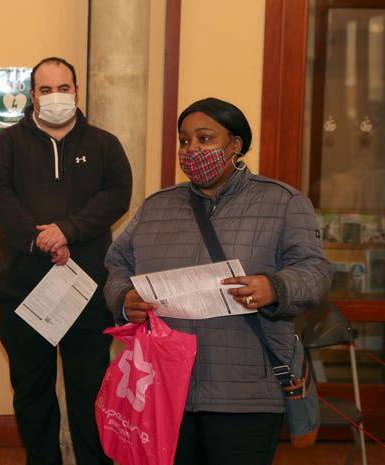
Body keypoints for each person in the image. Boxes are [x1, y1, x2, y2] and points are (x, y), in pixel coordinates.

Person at [103, 97, 333, 465]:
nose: (192, 149)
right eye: (184, 140)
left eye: (205, 139)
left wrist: (275, 287)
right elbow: (116, 263)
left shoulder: (283, 202)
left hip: (245, 390)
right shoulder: (157, 206)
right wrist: (123, 297)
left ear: (235, 145)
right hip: (164, 390)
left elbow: (315, 271)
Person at [0, 56, 132, 465]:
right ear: (32, 96)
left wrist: (68, 230)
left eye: (63, 88)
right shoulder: (6, 145)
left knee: (90, 394)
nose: (55, 97)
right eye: (45, 90)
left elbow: (118, 195)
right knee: (32, 395)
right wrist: (41, 240)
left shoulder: (104, 145)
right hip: (24, 294)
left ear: (77, 92)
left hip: (88, 297)